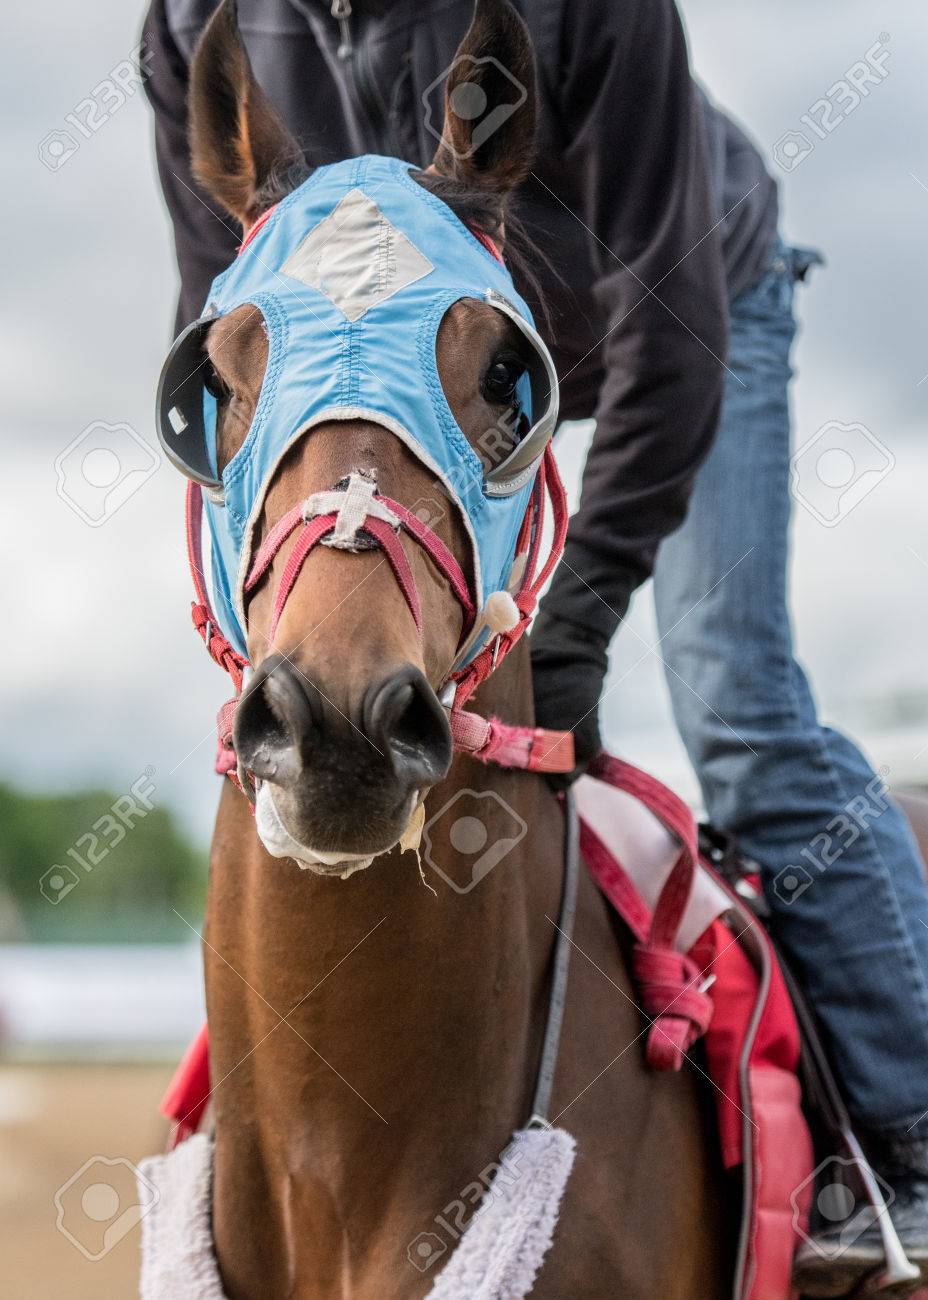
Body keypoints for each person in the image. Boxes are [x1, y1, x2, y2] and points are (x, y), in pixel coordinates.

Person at [142, 0, 928, 1288]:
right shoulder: (192, 26)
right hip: (393, 379)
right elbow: (222, 312)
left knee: (740, 713)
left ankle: (900, 1149)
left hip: (676, 314)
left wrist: (574, 632)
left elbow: (670, 347)